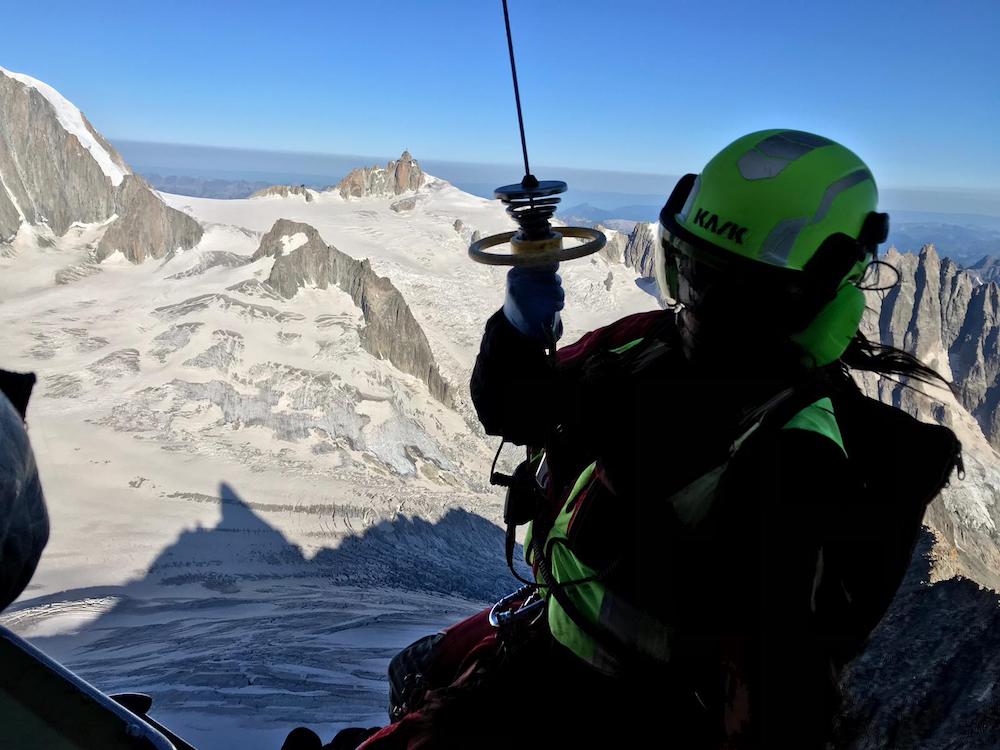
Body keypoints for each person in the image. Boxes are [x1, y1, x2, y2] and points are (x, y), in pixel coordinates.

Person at [300, 130, 963, 749]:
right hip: (556, 634)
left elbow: (760, 657)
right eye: (690, 273)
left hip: (639, 712)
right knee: (417, 673)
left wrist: (627, 490)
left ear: (808, 298)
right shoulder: (645, 346)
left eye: (737, 293)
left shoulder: (806, 452)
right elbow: (514, 408)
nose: (700, 309)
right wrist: (518, 329)